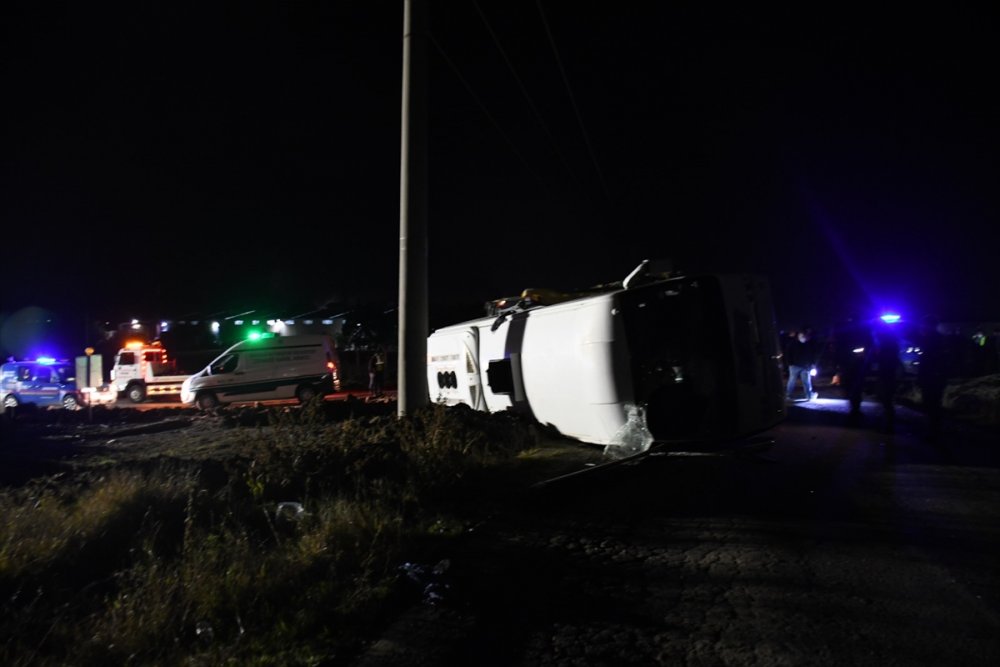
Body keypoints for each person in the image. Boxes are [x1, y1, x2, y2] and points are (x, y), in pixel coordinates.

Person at [834, 314, 873, 425]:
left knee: (854, 388)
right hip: (851, 366)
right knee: (852, 388)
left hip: (855, 366)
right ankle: (854, 408)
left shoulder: (856, 335)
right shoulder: (852, 336)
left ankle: (855, 408)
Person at [916, 315, 947, 441]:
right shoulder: (935, 339)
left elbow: (928, 361)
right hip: (935, 377)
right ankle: (934, 430)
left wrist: (922, 376)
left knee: (931, 404)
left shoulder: (931, 340)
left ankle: (934, 432)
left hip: (932, 377)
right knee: (933, 404)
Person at [872, 324, 901, 433]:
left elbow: (879, 357)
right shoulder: (892, 343)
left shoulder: (885, 345)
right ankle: (888, 420)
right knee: (887, 397)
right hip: (889, 372)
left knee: (886, 397)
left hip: (886, 372)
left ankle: (889, 422)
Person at [785, 327, 820, 401]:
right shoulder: (807, 343)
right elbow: (811, 354)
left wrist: (790, 363)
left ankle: (788, 395)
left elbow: (788, 353)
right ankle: (809, 396)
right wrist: (812, 364)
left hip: (796, 365)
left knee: (792, 380)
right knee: (806, 381)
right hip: (804, 365)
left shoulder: (793, 343)